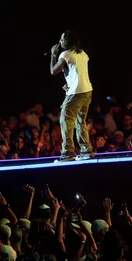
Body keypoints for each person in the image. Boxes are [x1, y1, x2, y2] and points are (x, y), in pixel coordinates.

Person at [50, 29, 95, 162]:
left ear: (68, 41)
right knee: (80, 121)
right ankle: (86, 150)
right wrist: (69, 82)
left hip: (75, 93)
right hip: (87, 91)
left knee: (65, 120)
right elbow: (77, 72)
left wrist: (53, 55)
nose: (60, 42)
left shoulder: (65, 54)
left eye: (62, 39)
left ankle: (68, 152)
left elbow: (53, 71)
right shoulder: (83, 53)